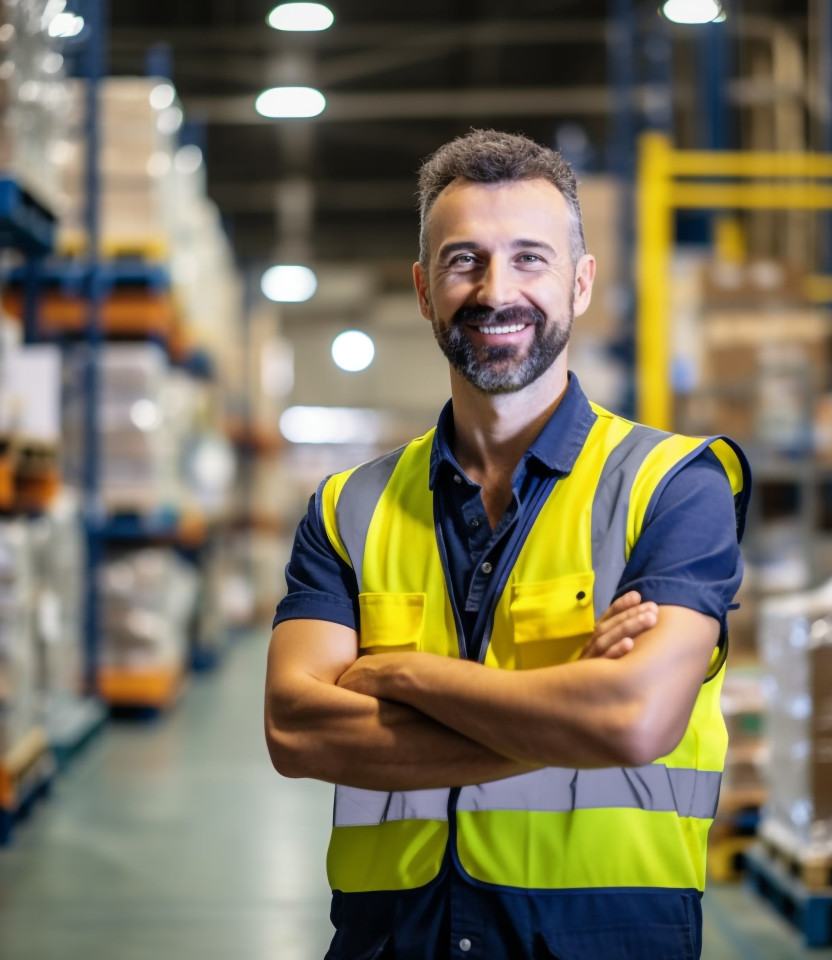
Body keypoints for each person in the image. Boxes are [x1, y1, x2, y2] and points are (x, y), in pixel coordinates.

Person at [265, 129, 750, 960]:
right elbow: (298, 731)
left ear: (581, 282)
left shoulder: (674, 486)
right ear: (423, 290)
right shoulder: (350, 507)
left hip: (601, 938)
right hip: (394, 942)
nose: (497, 291)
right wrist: (565, 714)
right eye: (465, 261)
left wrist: (400, 674)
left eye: (530, 258)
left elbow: (635, 720)